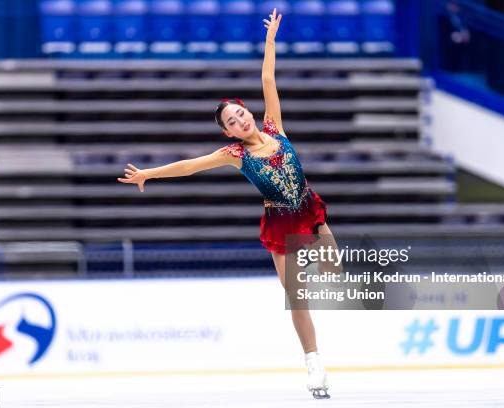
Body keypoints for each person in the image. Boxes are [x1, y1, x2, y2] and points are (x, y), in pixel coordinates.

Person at [118, 8, 339, 399]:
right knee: (297, 297)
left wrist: (270, 40)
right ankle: (314, 361)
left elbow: (268, 78)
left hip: (310, 209)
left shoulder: (275, 125)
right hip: (280, 224)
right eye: (233, 121)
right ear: (227, 131)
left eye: (241, 114)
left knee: (333, 269)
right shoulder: (235, 154)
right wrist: (149, 173)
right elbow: (189, 166)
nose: (241, 121)